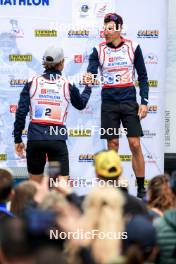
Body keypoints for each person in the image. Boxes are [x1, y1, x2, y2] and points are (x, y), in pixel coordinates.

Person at [86, 13, 149, 198]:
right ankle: (112, 189)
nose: (105, 31)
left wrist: (144, 102)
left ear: (119, 29)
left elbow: (143, 77)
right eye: (104, 27)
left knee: (135, 144)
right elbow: (91, 70)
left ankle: (140, 188)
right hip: (109, 102)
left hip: (129, 100)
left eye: (110, 28)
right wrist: (90, 76)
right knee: (112, 144)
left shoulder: (133, 46)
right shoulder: (98, 49)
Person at [14, 46, 92, 183]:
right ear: (61, 63)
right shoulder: (67, 84)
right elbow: (81, 104)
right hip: (56, 140)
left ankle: (36, 204)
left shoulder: (32, 82)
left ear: (44, 63)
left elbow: (21, 112)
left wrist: (18, 139)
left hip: (35, 140)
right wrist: (88, 87)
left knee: (35, 185)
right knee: (61, 186)